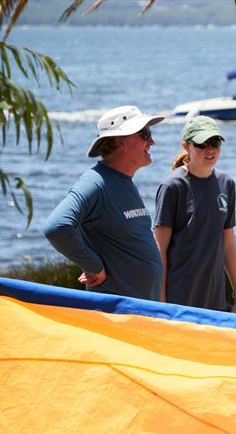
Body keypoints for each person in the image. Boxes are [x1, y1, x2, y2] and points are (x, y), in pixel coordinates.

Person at [44, 105, 164, 301]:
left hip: (139, 314)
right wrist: (94, 266)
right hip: (116, 315)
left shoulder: (124, 181)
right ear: (119, 141)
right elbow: (57, 227)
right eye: (144, 134)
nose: (152, 141)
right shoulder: (95, 182)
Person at [153, 116, 236, 314]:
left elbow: (228, 244)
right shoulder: (172, 187)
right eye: (202, 144)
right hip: (178, 300)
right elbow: (159, 250)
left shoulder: (226, 184)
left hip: (214, 300)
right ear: (186, 146)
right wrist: (161, 303)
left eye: (215, 142)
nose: (210, 149)